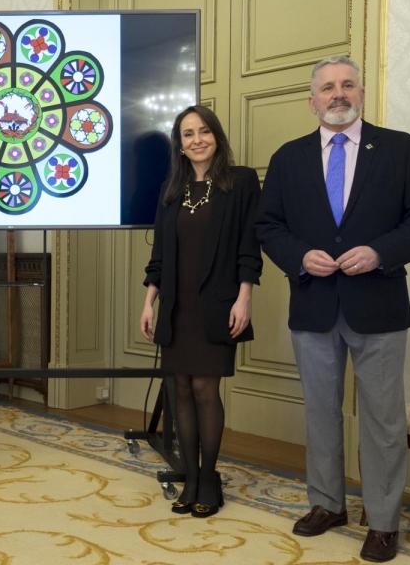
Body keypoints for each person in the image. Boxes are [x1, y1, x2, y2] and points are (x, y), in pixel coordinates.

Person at [256, 55, 410, 563]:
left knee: (383, 420)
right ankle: (327, 504)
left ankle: (382, 521)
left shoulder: (401, 149)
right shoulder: (288, 158)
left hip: (379, 306)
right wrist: (299, 256)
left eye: (347, 85)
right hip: (313, 305)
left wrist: (380, 252)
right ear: (311, 101)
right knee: (320, 414)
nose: (337, 94)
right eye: (327, 88)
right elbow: (268, 225)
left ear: (361, 92)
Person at [140, 105, 261, 519]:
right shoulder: (171, 189)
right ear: (180, 144)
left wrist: (244, 298)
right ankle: (189, 478)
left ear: (216, 136)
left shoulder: (241, 182)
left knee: (207, 390)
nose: (197, 140)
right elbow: (159, 253)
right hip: (176, 305)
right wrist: (149, 302)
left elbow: (249, 246)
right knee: (181, 391)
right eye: (188, 134)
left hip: (218, 304)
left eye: (204, 131)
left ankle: (209, 478)